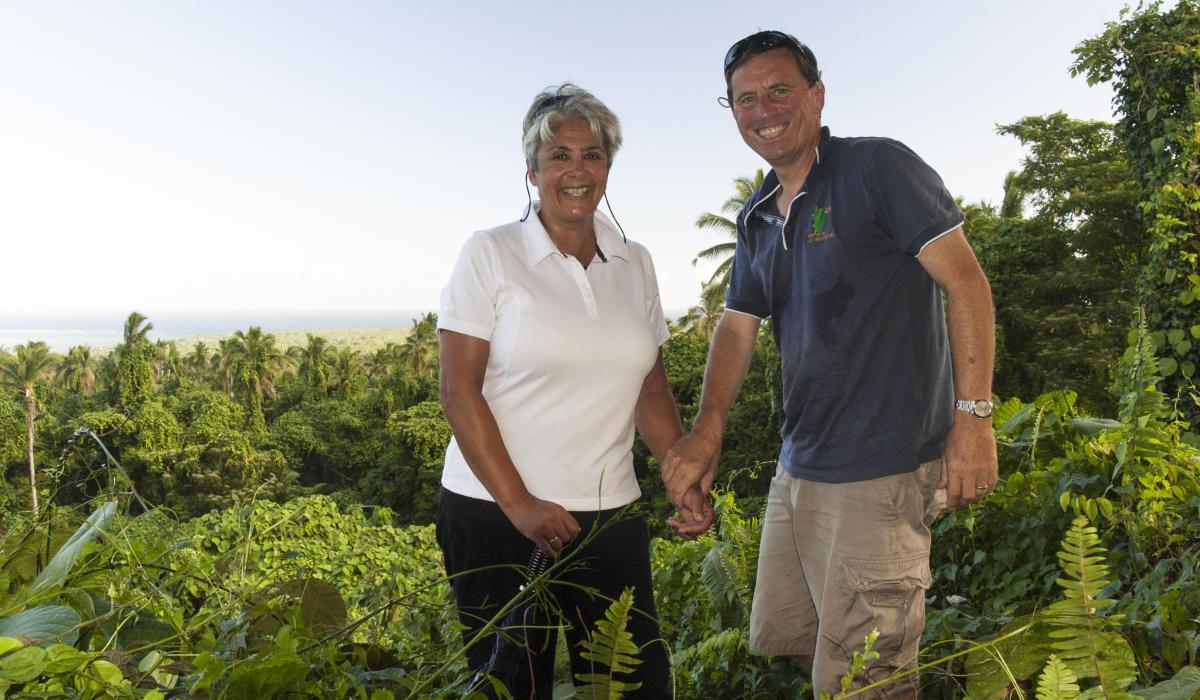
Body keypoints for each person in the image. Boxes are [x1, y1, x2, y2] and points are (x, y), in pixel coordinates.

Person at [663, 31, 998, 698]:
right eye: (745, 99)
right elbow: (736, 328)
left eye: (780, 90)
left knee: (869, 677)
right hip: (801, 466)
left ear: (816, 95)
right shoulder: (756, 215)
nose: (764, 110)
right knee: (807, 643)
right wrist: (707, 430)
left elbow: (966, 283)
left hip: (881, 469)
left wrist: (974, 418)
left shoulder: (878, 169)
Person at [436, 83, 685, 699]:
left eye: (592, 155)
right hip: (496, 513)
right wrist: (519, 503)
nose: (577, 170)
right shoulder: (491, 253)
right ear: (532, 170)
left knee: (633, 682)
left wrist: (681, 471)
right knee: (512, 689)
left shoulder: (637, 261)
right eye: (559, 156)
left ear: (608, 166)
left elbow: (648, 382)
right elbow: (458, 390)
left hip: (609, 513)